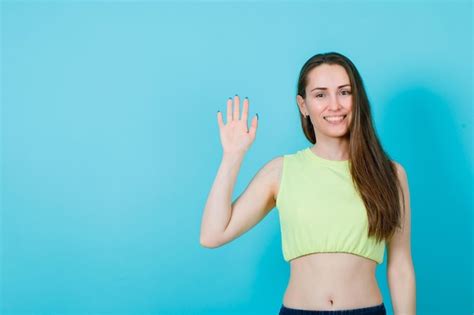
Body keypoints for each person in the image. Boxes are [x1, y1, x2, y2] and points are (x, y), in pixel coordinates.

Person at [199, 52, 416, 315]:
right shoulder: (281, 171)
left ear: (358, 99)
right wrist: (232, 158)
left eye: (345, 92)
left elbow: (400, 266)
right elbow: (212, 235)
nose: (334, 105)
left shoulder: (390, 174)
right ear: (303, 105)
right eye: (320, 94)